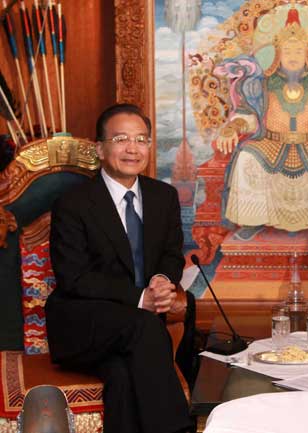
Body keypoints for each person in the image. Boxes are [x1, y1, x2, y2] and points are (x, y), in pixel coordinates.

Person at [45, 104, 193, 433]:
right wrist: (142, 299)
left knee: (122, 375)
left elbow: (171, 254)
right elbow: (74, 278)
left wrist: (161, 279)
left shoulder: (163, 197)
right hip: (84, 323)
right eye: (121, 139)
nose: (132, 148)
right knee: (143, 326)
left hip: (136, 335)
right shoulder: (74, 203)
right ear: (100, 148)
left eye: (141, 139)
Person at [215, 4, 308, 241]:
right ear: (278, 54)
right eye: (288, 51)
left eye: (299, 51)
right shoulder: (261, 84)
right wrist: (232, 128)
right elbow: (247, 115)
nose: (293, 56)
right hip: (271, 144)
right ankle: (251, 220)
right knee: (246, 156)